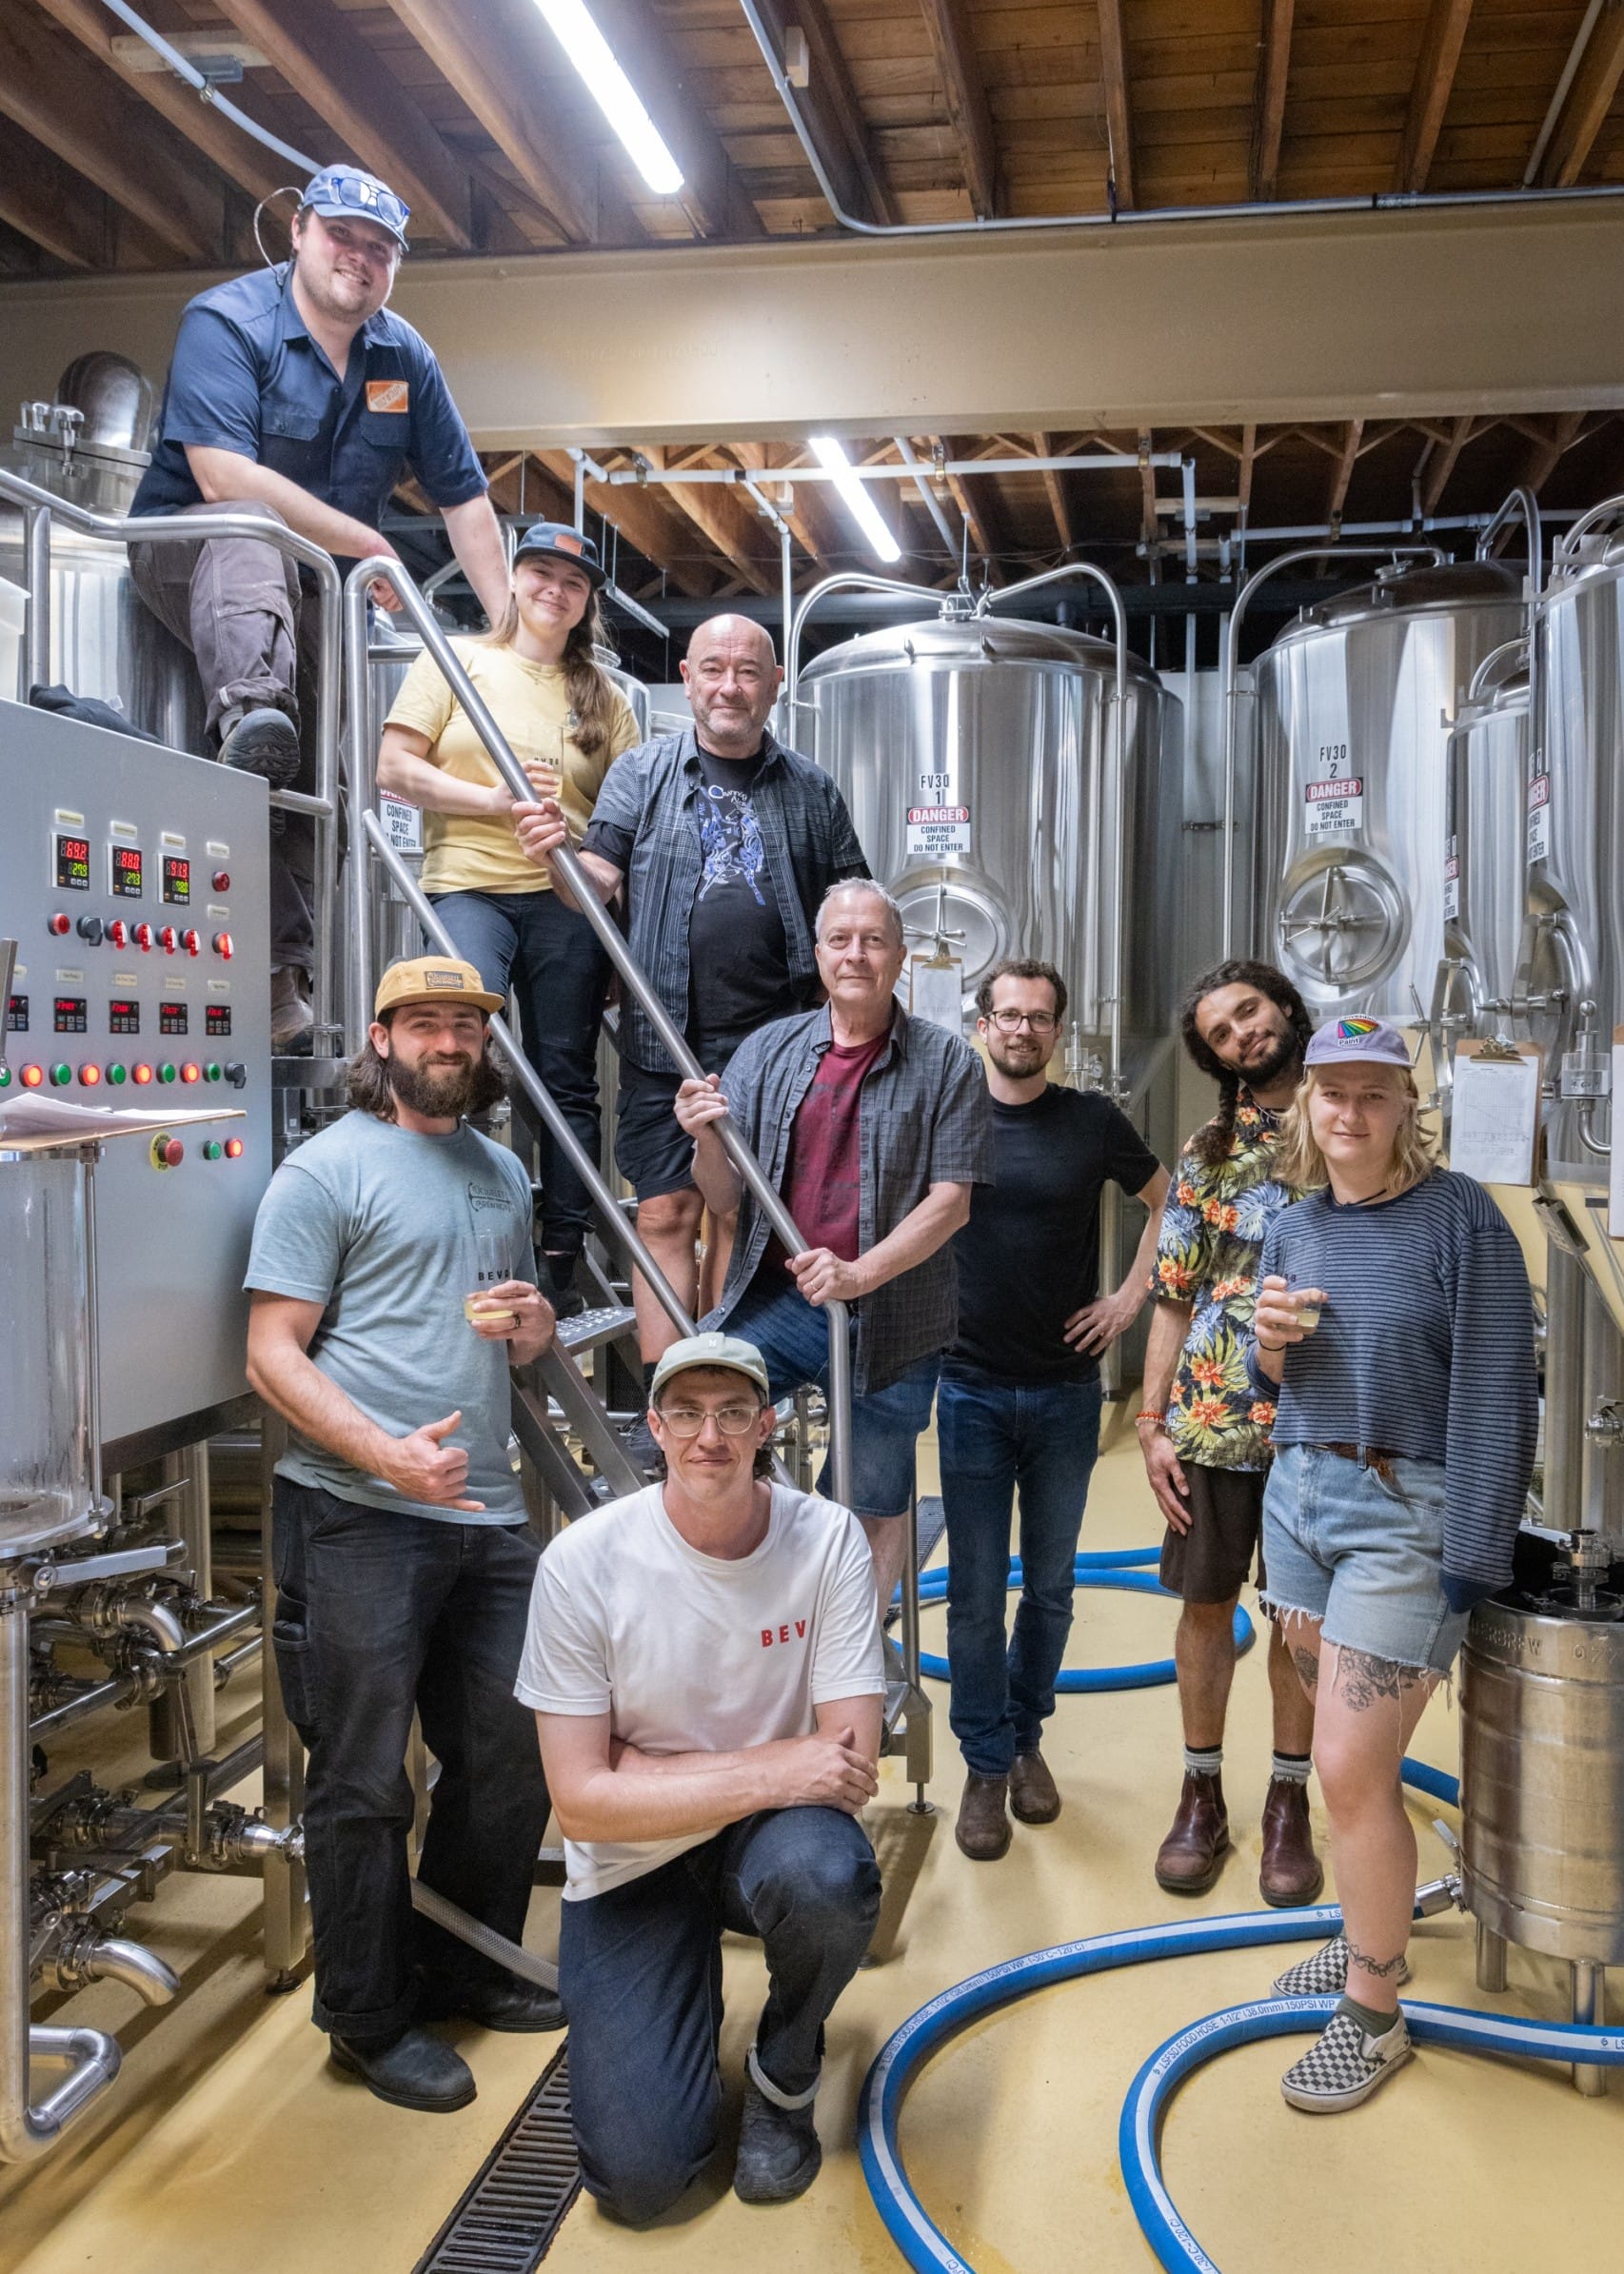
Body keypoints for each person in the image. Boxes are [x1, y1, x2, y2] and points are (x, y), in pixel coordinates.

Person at [245, 955, 560, 2115]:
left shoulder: (501, 1172)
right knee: (366, 1776)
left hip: (484, 1508)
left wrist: (530, 1328)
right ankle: (368, 2019)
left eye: (465, 1026)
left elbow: (504, 1331)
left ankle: (464, 1964)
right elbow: (271, 1349)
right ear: (380, 1040)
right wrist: (382, 1451)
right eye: (424, 1023)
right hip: (359, 1515)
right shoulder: (322, 1172)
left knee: (510, 1751)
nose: (447, 1041)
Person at [129, 166, 510, 1052]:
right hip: (191, 552)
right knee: (252, 533)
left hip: (312, 592)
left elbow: (466, 504)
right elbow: (224, 480)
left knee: (312, 782)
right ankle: (252, 711)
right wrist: (369, 545)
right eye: (343, 235)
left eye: (380, 250)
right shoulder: (228, 322)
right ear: (298, 229)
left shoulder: (402, 356)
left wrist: (505, 639)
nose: (360, 259)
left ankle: (277, 976)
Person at [519, 1332, 884, 2221]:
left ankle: (785, 2073)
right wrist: (771, 1762)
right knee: (641, 2185)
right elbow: (581, 1805)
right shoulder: (583, 1564)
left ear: (767, 1425)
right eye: (686, 1412)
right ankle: (676, 1988)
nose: (708, 1435)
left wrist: (647, 1772)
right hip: (631, 1864)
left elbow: (847, 1762)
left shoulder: (826, 1539)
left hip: (767, 1841)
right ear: (655, 1426)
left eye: (731, 1413)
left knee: (829, 1877)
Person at [1246, 1015, 1536, 2112]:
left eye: (1373, 1094)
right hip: (1300, 1498)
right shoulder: (1292, 1227)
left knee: (1347, 1771)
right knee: (1342, 1754)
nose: (1349, 1114)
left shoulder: (1460, 1219)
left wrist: (1470, 1554)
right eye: (1331, 1093)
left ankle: (1372, 2010)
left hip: (1402, 1510)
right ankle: (1374, 1931)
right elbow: (1270, 1384)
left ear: (1407, 1106)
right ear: (1306, 1107)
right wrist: (1266, 1345)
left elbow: (1497, 1393)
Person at [513, 615, 869, 1367]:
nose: (729, 686)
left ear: (775, 686)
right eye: (714, 669)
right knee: (667, 1211)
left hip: (778, 1048)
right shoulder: (642, 774)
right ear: (688, 675)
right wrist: (558, 857)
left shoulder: (812, 789)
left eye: (747, 671)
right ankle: (668, 1395)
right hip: (662, 1039)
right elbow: (597, 885)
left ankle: (728, 1382)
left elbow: (852, 904)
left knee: (741, 1217)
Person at [674, 880, 994, 1615]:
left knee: (871, 1497)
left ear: (900, 957)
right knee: (700, 1397)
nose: (857, 953)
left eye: (874, 940)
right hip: (782, 1301)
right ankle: (727, 1602)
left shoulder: (949, 1062)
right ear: (819, 955)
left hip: (897, 1320)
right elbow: (723, 1198)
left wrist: (859, 1272)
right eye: (842, 940)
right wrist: (703, 1139)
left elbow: (952, 1203)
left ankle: (848, 1635)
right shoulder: (768, 1051)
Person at [376, 522, 641, 1314]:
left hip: (565, 897)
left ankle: (560, 1246)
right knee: (455, 1044)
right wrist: (492, 800)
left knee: (565, 1073)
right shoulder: (456, 659)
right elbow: (394, 767)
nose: (554, 589)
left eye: (573, 580)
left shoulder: (609, 699)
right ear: (516, 578)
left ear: (588, 598)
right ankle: (450, 1223)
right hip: (467, 885)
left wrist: (593, 863)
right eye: (541, 572)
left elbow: (629, 821)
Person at [941, 959, 1170, 1862]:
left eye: (1040, 1017)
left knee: (1049, 1583)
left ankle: (1027, 1734)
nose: (1023, 1029)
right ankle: (984, 1762)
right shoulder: (952, 1117)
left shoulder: (1091, 1122)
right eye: (1008, 1014)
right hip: (968, 1390)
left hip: (1068, 1393)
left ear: (1058, 1032)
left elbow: (1171, 1203)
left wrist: (1128, 1300)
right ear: (983, 1025)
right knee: (970, 1592)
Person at [1138, 959, 1322, 1905]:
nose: (1242, 1033)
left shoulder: (1353, 1122)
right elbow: (1170, 1297)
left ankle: (1287, 1802)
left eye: (1247, 1011)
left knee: (1301, 1620)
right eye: (1220, 1031)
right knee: (1206, 1606)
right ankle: (1200, 1791)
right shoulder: (1208, 1151)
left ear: (1282, 1007)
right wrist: (1147, 1418)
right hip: (1213, 1419)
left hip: (1327, 1419)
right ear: (1214, 1058)